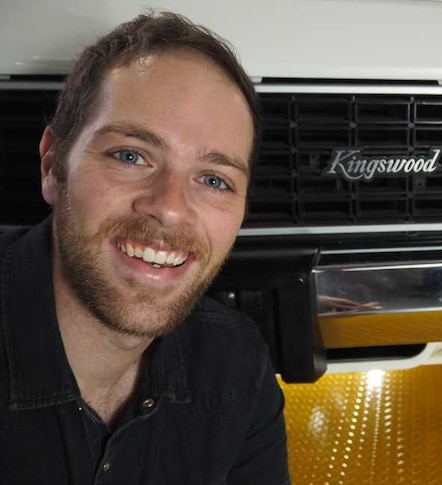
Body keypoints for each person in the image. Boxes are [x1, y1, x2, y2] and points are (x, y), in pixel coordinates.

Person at [0, 11, 290, 484]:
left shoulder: (235, 366)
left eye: (214, 180)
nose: (170, 209)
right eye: (130, 156)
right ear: (53, 166)